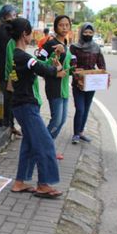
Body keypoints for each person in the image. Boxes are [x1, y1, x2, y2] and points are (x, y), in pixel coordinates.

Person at [8, 17, 65, 199]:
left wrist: (52, 63)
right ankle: (43, 184)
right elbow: (42, 69)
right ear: (25, 34)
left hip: (20, 105)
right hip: (26, 106)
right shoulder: (23, 57)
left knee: (30, 144)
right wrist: (57, 70)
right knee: (45, 143)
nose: (31, 35)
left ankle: (20, 182)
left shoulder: (17, 57)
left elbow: (38, 65)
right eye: (30, 32)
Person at [39, 15, 72, 160]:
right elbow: (39, 63)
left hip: (64, 87)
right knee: (56, 120)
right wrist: (55, 53)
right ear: (55, 27)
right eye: (61, 25)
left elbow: (69, 64)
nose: (64, 28)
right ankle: (42, 148)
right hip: (54, 87)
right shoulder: (50, 44)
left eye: (67, 25)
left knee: (62, 120)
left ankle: (48, 148)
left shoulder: (66, 44)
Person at [0, 4, 22, 136]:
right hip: (2, 71)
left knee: (12, 98)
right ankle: (6, 123)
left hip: (15, 70)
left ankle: (9, 123)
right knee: (5, 97)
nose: (13, 18)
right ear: (4, 17)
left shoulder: (17, 31)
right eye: (11, 15)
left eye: (14, 15)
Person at [70, 23, 106, 144]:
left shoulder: (96, 48)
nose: (88, 34)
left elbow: (101, 64)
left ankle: (80, 132)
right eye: (86, 32)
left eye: (90, 33)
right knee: (79, 109)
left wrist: (102, 74)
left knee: (86, 108)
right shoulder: (74, 47)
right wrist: (75, 70)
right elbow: (72, 62)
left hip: (91, 83)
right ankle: (75, 134)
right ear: (81, 33)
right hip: (78, 82)